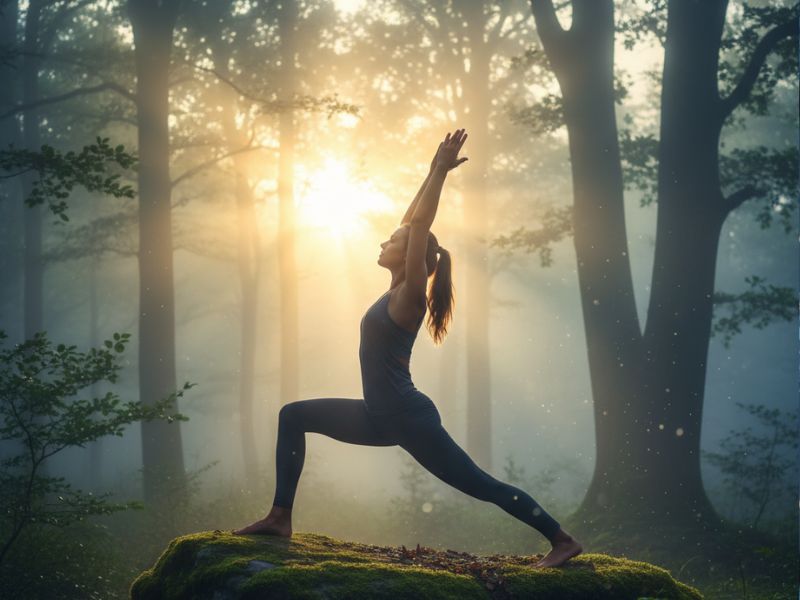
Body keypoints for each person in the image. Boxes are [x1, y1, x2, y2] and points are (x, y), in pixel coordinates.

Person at [232, 129, 583, 569]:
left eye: (390, 243)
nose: (382, 243)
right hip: (378, 415)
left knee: (481, 485)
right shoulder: (394, 286)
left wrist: (440, 171)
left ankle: (562, 540)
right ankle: (280, 517)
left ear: (410, 257)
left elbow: (418, 225)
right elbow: (410, 220)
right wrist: (430, 170)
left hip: (406, 416)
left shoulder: (411, 296)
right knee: (293, 415)